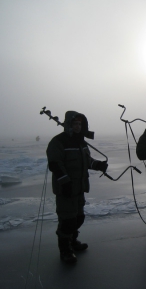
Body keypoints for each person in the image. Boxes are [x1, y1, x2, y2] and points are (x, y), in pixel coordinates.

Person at [46, 111, 108, 264]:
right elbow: (55, 163)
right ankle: (65, 250)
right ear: (69, 124)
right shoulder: (58, 141)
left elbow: (87, 161)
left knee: (79, 218)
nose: (78, 127)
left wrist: (98, 165)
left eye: (80, 124)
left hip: (79, 188)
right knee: (67, 220)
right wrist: (65, 182)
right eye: (75, 124)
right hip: (66, 189)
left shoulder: (81, 143)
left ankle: (73, 241)